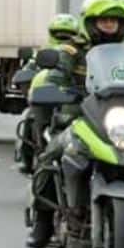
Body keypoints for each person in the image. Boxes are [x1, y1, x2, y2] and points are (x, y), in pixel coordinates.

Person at [25, 0, 124, 248]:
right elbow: (56, 75)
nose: (109, 26)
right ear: (91, 22)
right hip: (78, 118)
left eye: (114, 21)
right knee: (48, 157)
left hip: (122, 121)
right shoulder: (73, 50)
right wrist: (55, 87)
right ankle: (42, 221)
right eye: (103, 21)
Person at [15, 14, 87, 174]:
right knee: (31, 118)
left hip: (83, 102)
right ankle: (30, 160)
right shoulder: (44, 52)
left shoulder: (86, 51)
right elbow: (28, 70)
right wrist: (30, 77)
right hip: (52, 98)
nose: (63, 37)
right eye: (59, 33)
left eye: (68, 34)